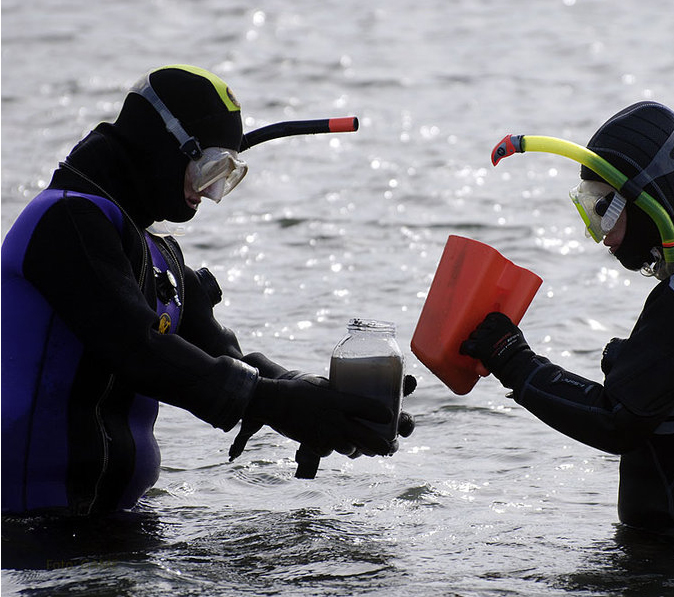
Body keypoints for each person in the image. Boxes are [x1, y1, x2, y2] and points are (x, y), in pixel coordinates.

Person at [1, 64, 415, 516]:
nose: (212, 191)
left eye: (228, 175)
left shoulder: (155, 250)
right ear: (164, 145)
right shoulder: (65, 221)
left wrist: (325, 401)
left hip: (111, 522)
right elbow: (138, 350)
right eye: (210, 168)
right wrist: (276, 402)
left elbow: (221, 355)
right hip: (29, 530)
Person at [463, 101, 674, 547]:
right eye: (588, 209)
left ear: (657, 205)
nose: (601, 235)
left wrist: (512, 359)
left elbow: (615, 421)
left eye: (605, 210)